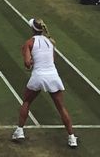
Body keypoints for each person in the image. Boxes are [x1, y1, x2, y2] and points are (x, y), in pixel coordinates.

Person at [11, 18, 77, 148]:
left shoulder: (29, 43)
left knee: (26, 101)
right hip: (53, 76)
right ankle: (72, 137)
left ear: (32, 29)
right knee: (61, 107)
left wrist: (29, 60)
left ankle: (19, 131)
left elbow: (27, 64)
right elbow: (51, 60)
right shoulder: (50, 42)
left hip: (38, 76)